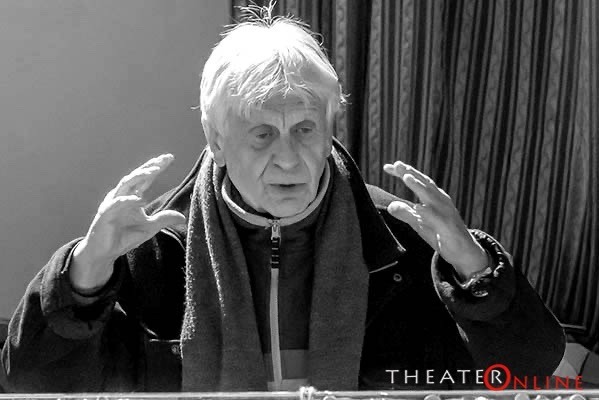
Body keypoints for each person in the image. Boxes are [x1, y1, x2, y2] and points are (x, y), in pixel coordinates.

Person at [1, 5, 564, 393]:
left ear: (331, 126)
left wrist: (475, 270)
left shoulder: (397, 238)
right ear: (216, 140)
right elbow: (29, 383)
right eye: (263, 134)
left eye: (305, 129)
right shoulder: (155, 247)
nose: (290, 159)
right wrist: (83, 276)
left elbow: (530, 369)